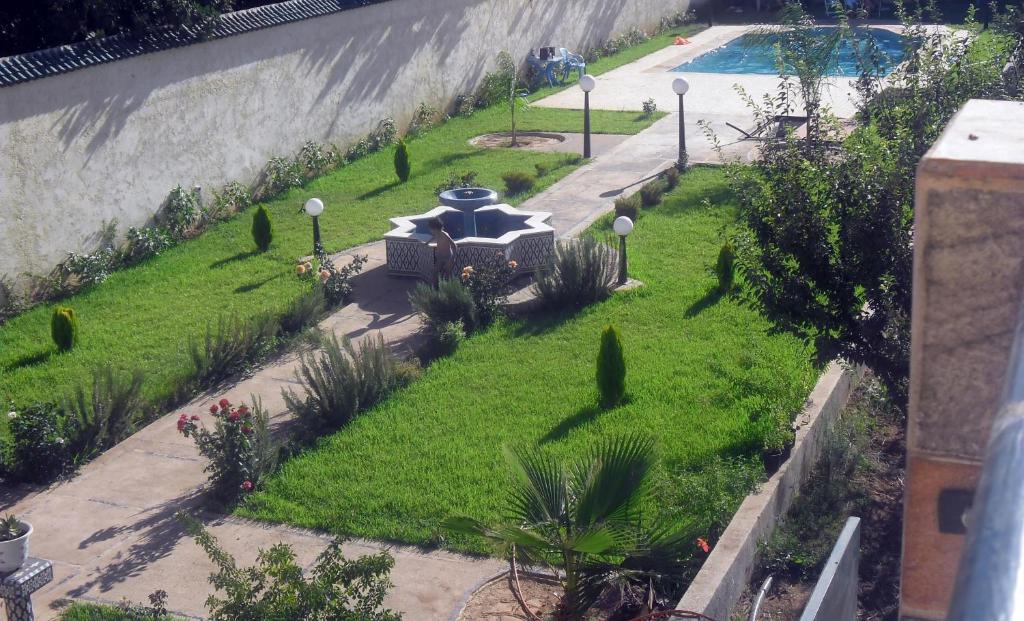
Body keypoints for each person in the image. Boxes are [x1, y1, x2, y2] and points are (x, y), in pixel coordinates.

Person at [427, 217, 456, 285]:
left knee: (447, 276)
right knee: (434, 272)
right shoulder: (437, 233)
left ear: (435, 228)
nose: (430, 231)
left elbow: (454, 246)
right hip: (440, 257)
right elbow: (434, 237)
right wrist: (427, 242)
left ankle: (448, 290)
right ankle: (435, 289)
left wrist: (452, 259)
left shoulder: (444, 235)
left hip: (448, 257)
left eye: (431, 229)